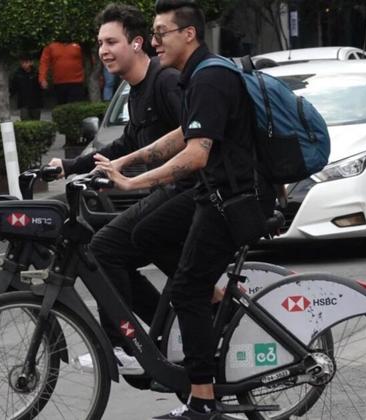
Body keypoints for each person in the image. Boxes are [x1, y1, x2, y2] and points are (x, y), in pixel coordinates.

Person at [94, 1, 275, 418]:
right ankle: (215, 299)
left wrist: (134, 181)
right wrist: (124, 161)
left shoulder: (209, 78)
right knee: (146, 234)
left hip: (233, 199)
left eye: (161, 33)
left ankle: (203, 400)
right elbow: (180, 135)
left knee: (186, 290)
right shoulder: (200, 75)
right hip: (221, 193)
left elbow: (195, 155)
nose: (154, 42)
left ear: (188, 34)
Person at [47, 3, 184, 374]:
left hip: (189, 195)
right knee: (118, 254)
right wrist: (70, 166)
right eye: (100, 43)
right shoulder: (136, 89)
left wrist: (133, 173)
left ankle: (124, 346)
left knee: (104, 248)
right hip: (167, 195)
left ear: (137, 43)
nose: (103, 50)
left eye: (111, 41)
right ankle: (168, 336)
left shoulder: (166, 81)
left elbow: (196, 135)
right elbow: (123, 144)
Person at [11, 56, 43, 120]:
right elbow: (13, 87)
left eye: (26, 62)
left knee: (36, 121)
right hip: (23, 102)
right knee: (25, 119)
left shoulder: (37, 73)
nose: (25, 64)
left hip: (36, 102)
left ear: (31, 62)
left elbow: (41, 87)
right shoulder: (17, 74)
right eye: (23, 62)